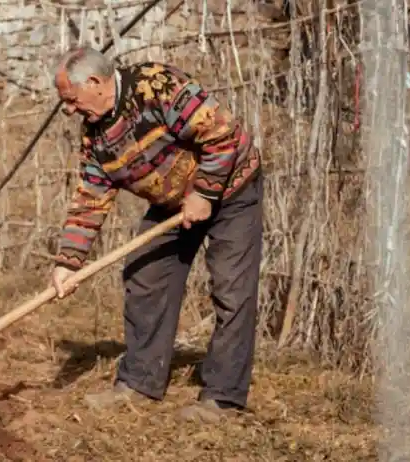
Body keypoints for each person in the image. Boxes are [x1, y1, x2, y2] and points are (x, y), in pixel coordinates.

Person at [50, 46, 263, 422]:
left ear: (96, 83)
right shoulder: (95, 134)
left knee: (231, 288)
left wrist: (205, 191)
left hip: (231, 186)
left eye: (70, 100)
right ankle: (140, 382)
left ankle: (224, 397)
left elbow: (223, 134)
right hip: (173, 202)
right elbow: (91, 196)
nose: (68, 110)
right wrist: (69, 262)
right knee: (145, 275)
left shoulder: (155, 85)